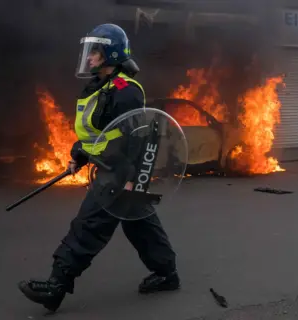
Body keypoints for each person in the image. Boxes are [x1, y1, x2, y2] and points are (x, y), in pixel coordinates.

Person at [18, 23, 180, 312]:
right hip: (107, 165)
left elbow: (138, 138)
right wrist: (79, 155)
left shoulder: (125, 91)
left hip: (119, 172)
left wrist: (131, 179)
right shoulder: (98, 87)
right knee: (139, 223)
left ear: (110, 54)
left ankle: (57, 286)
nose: (89, 57)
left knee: (88, 226)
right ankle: (167, 273)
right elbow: (98, 133)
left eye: (94, 51)